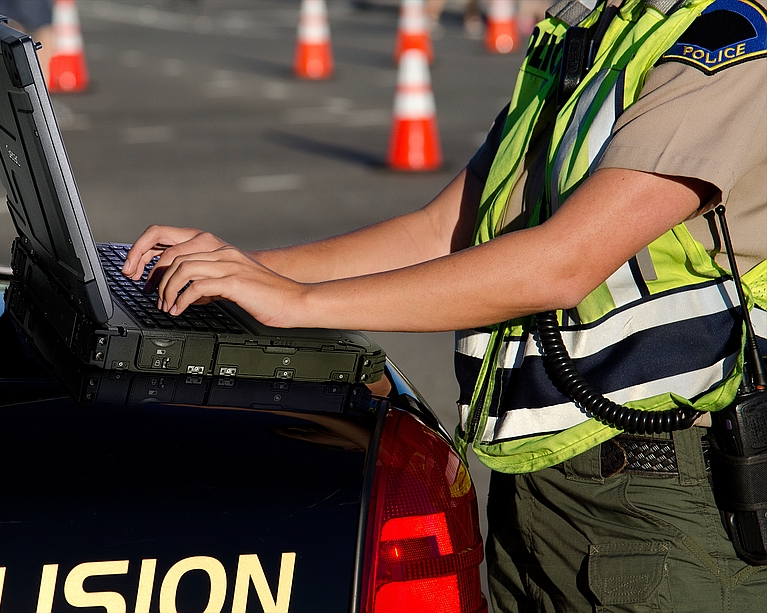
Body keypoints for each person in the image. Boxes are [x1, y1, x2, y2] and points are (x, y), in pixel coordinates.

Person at [123, 0, 767, 608]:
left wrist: (297, 302)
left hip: (663, 499)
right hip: (541, 484)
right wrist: (246, 269)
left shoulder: (727, 40)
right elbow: (443, 227)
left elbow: (563, 264)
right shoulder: (594, 29)